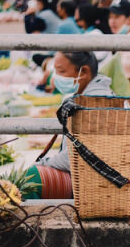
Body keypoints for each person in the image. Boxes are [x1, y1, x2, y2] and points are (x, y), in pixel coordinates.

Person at [24, 52, 112, 199]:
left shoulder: (93, 103)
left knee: (31, 178)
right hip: (93, 173)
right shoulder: (94, 95)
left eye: (62, 71)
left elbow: (75, 157)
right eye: (56, 71)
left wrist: (44, 164)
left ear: (83, 72)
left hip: (95, 181)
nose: (56, 77)